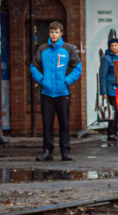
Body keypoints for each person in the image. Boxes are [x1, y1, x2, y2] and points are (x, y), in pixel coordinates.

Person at [30, 21, 81, 161]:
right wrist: (42, 80)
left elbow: (78, 68)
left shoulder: (69, 49)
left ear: (61, 33)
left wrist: (67, 81)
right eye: (52, 32)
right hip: (46, 93)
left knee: (64, 123)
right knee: (47, 123)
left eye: (56, 32)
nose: (54, 34)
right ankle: (47, 151)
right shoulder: (42, 49)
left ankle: (65, 152)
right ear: (49, 33)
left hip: (63, 93)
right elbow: (34, 67)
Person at [98, 36, 118, 143]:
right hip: (111, 89)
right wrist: (104, 92)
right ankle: (111, 133)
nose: (114, 47)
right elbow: (102, 75)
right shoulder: (106, 58)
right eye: (112, 46)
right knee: (113, 112)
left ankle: (114, 132)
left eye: (116, 45)